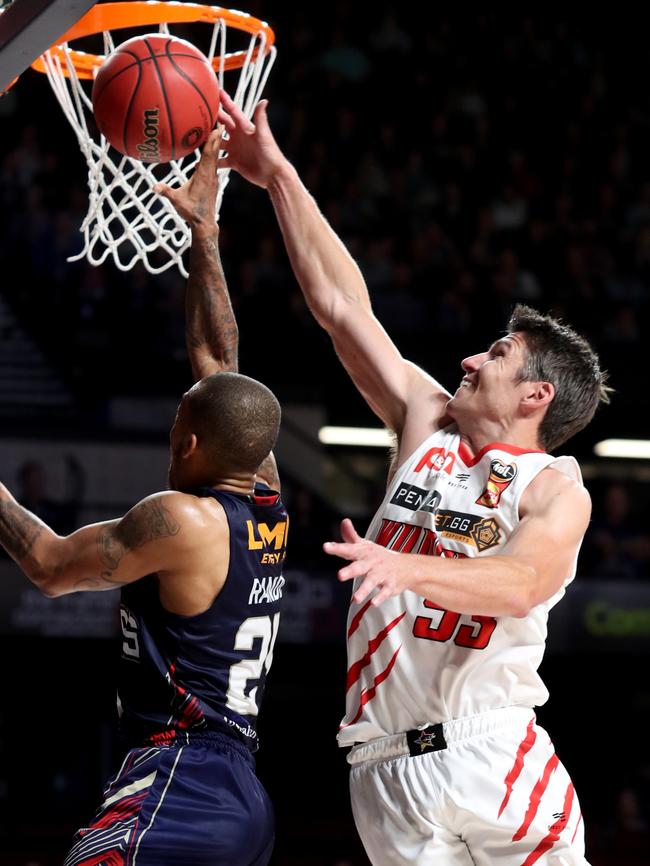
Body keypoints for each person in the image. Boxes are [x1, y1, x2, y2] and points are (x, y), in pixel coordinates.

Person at [216, 93, 610, 865]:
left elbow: (523, 582)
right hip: (382, 771)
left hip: (491, 754)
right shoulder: (426, 418)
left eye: (496, 354)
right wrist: (279, 178)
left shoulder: (555, 489)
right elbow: (339, 306)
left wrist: (403, 568)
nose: (470, 359)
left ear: (538, 395)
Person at [0, 129, 286, 866]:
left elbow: (49, 565)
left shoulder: (183, 522)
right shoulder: (265, 495)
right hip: (241, 793)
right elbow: (220, 366)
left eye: (177, 420)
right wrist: (205, 235)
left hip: (180, 779)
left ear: (186, 443)